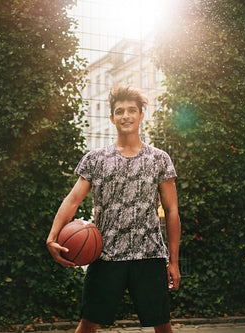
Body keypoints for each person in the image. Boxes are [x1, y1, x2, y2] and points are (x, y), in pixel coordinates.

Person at [46, 86, 181, 333]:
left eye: (132, 110)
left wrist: (174, 261)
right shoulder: (96, 159)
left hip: (149, 256)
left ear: (141, 115)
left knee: (163, 325)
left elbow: (171, 211)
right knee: (88, 323)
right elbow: (73, 199)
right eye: (119, 111)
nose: (126, 116)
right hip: (105, 255)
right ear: (111, 118)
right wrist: (52, 236)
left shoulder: (159, 159)